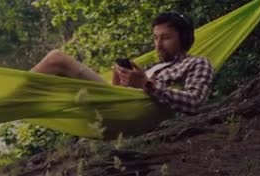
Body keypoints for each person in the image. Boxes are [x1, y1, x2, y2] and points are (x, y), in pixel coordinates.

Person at [30, 12, 214, 115]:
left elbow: (195, 102)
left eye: (166, 38)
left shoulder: (197, 63)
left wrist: (147, 85)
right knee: (58, 77)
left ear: (184, 38)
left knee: (57, 59)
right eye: (155, 38)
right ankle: (11, 98)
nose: (158, 44)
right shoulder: (152, 67)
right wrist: (120, 80)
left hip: (131, 114)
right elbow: (125, 91)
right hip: (117, 104)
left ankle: (5, 94)